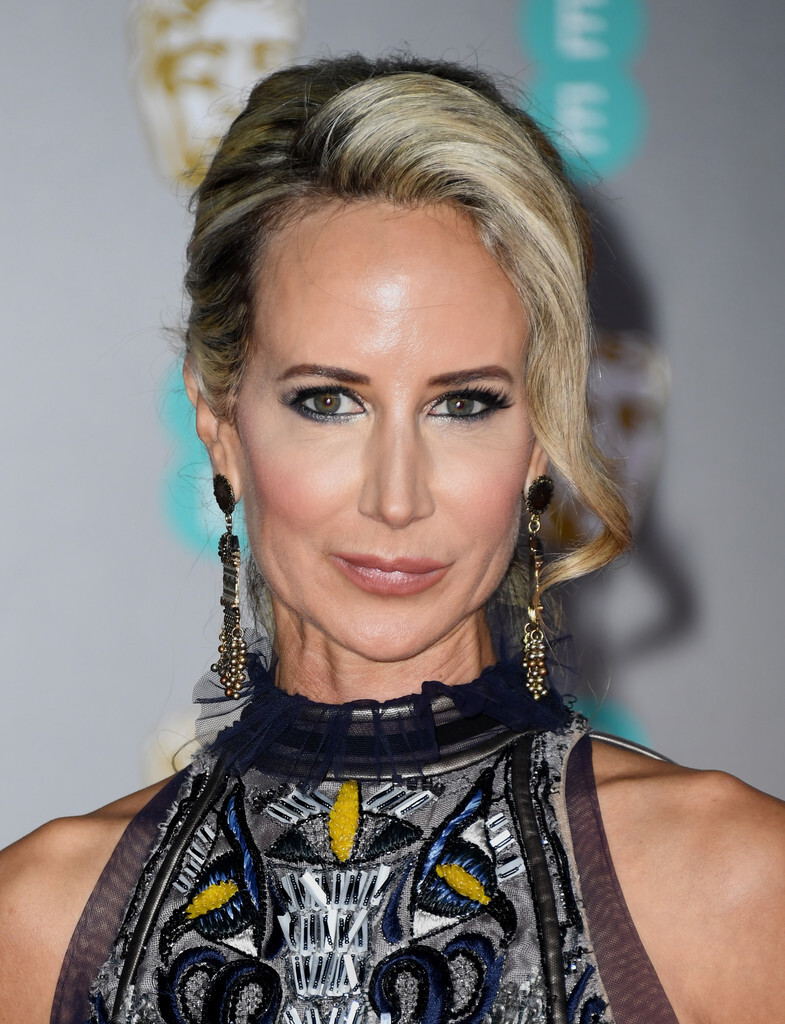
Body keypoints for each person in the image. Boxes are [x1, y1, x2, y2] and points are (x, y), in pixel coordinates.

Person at [1, 54, 783, 1024]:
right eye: (329, 402)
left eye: (464, 403)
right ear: (219, 420)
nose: (397, 496)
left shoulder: (729, 889)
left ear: (539, 435)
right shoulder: (37, 926)